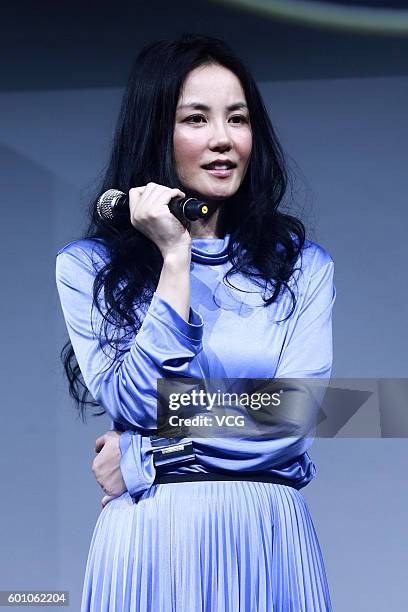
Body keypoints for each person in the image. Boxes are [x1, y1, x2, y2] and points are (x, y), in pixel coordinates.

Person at [56, 32, 336, 612]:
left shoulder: (304, 268)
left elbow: (294, 415)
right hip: (153, 540)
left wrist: (143, 456)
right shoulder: (86, 267)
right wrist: (175, 259)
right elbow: (135, 403)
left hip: (267, 538)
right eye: (196, 119)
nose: (222, 140)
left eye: (238, 118)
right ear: (157, 132)